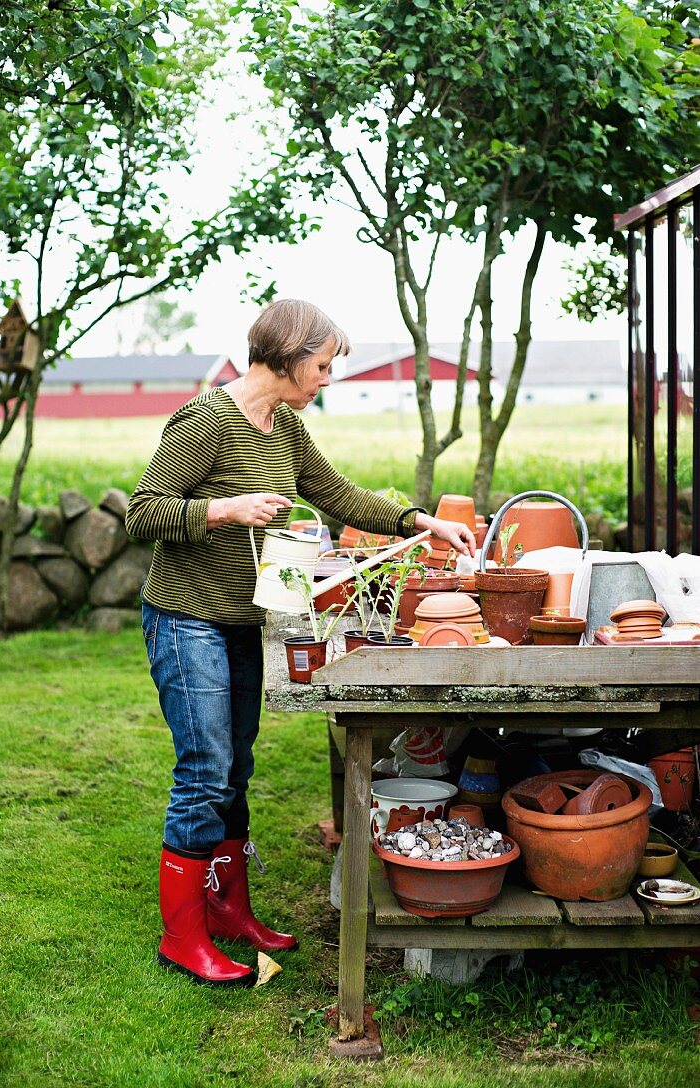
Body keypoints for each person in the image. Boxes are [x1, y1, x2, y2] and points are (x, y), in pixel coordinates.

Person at [126, 299, 476, 988]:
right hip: (184, 618)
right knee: (204, 772)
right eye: (320, 365)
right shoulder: (207, 422)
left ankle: (230, 911)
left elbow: (335, 493)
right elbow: (143, 511)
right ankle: (182, 936)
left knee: (234, 768)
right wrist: (223, 509)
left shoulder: (283, 426)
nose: (325, 378)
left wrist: (420, 519)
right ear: (286, 356)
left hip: (238, 621)